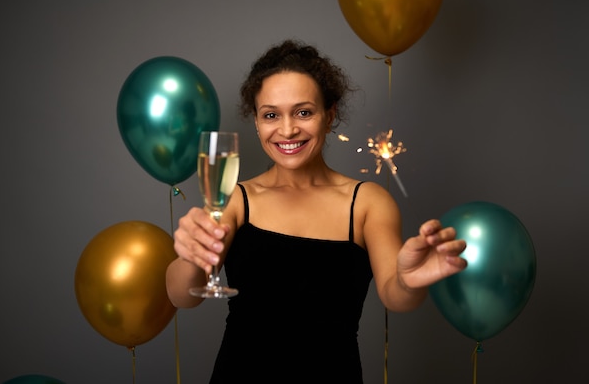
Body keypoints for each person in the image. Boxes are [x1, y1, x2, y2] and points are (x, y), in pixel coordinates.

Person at [166, 39, 467, 383]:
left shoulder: (367, 202)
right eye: (271, 115)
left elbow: (396, 296)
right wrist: (191, 256)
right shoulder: (235, 198)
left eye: (304, 112)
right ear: (256, 121)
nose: (288, 129)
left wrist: (409, 281)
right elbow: (181, 296)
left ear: (330, 115)